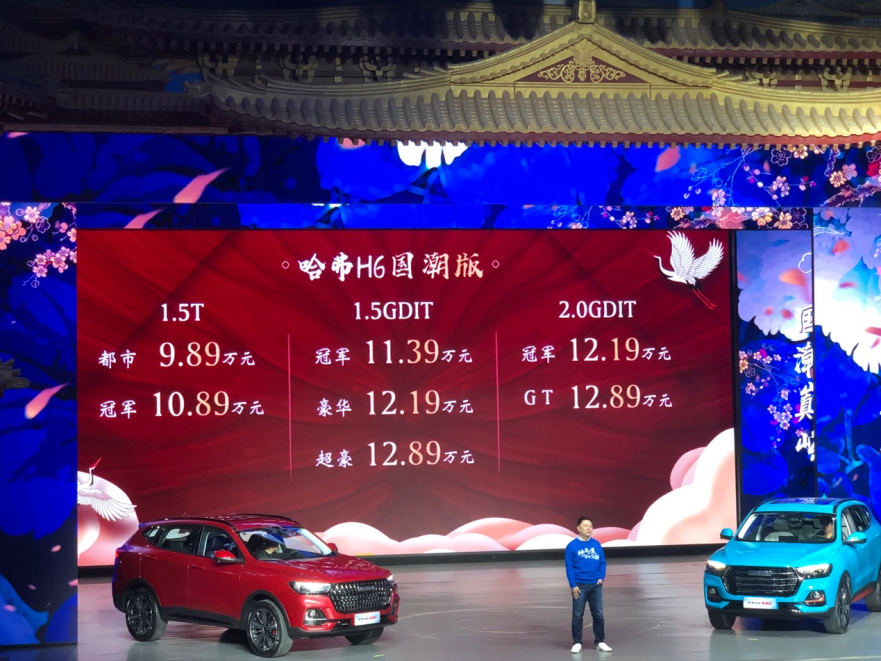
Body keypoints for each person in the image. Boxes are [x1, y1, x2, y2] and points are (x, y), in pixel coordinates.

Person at [566, 516, 611, 653]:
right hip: (579, 586)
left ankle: (600, 641)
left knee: (598, 615)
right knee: (577, 615)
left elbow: (602, 562)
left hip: (595, 586)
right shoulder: (572, 546)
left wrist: (601, 577)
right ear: (578, 528)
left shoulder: (596, 544)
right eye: (585, 526)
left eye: (590, 526)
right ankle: (577, 642)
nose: (589, 528)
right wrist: (573, 585)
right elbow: (569, 567)